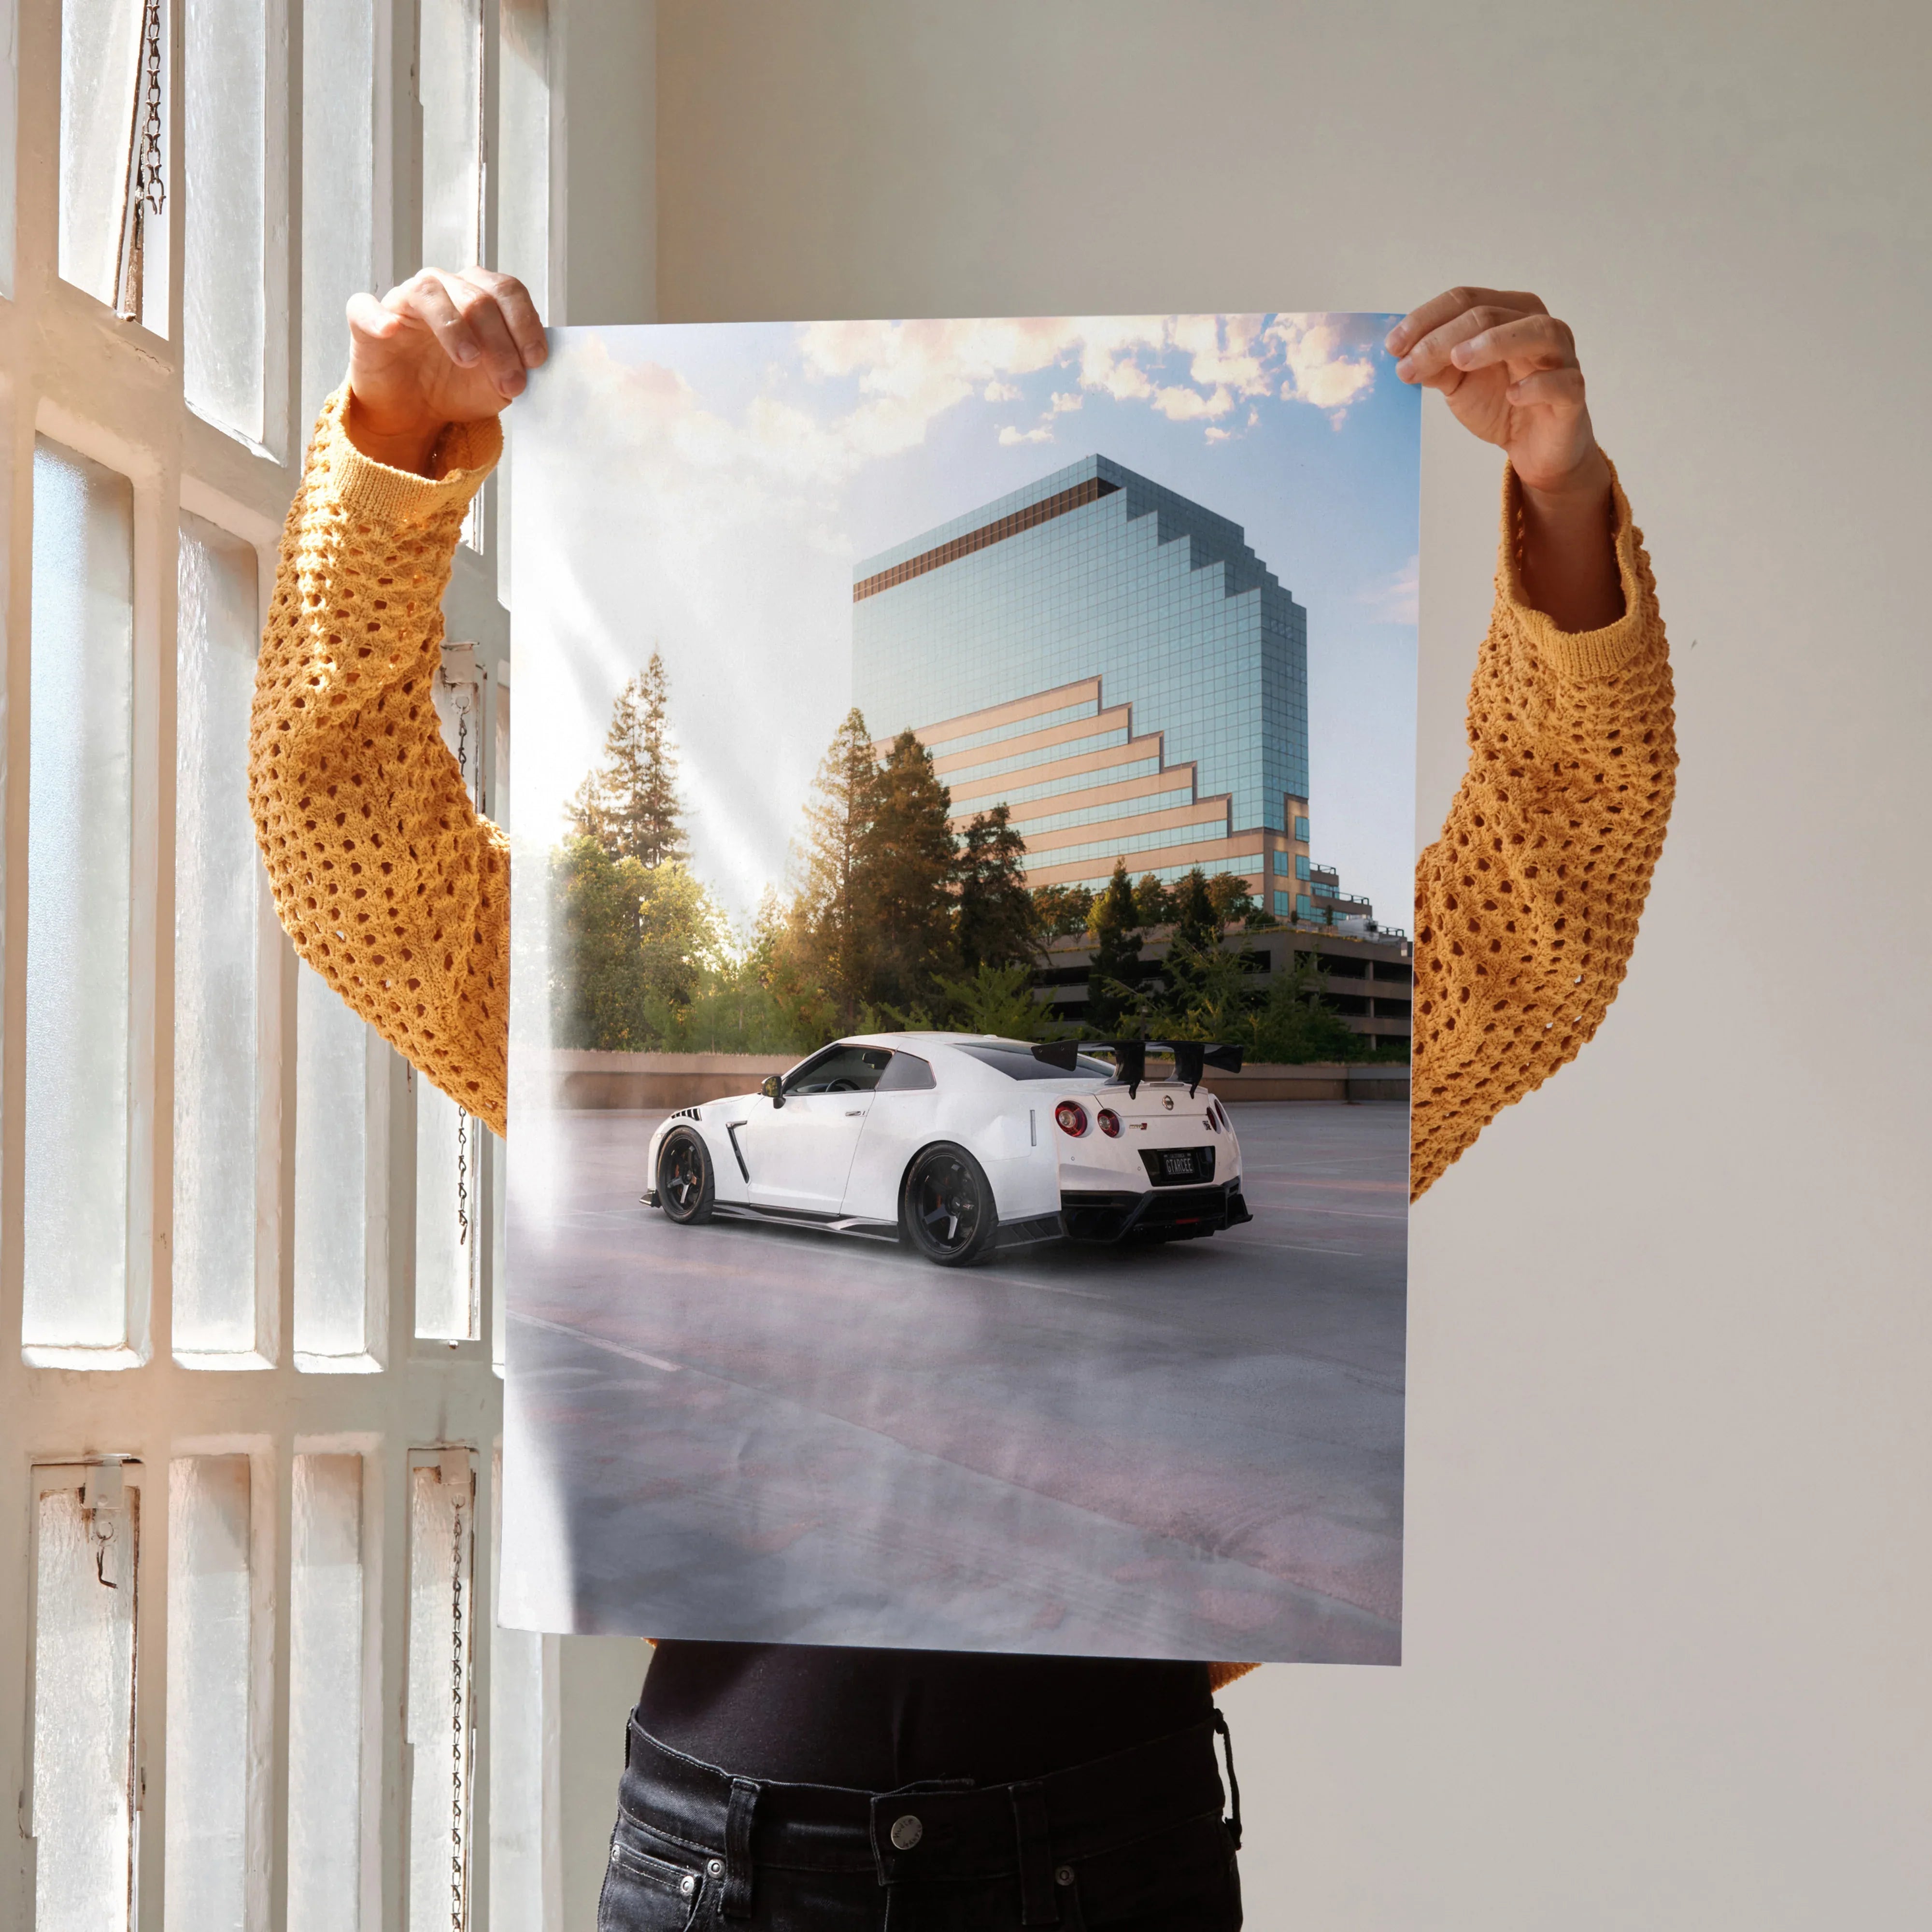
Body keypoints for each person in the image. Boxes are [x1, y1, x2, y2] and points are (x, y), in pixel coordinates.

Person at [249, 271, 1674, 1929]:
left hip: (1090, 1846)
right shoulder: (608, 1033)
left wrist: (1561, 498)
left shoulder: (1117, 1123)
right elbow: (345, 835)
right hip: (741, 1859)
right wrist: (392, 443)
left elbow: (1542, 916)